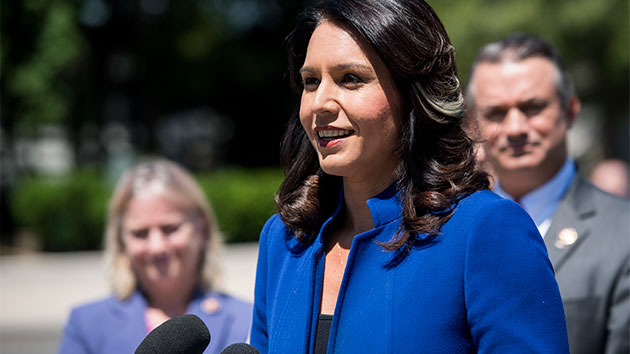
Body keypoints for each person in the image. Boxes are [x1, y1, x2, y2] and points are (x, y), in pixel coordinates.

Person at [250, 1, 570, 353]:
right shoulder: (283, 241)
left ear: (412, 95)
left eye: (350, 79)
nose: (319, 104)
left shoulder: (484, 230)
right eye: (311, 82)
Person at [466, 33, 630, 354]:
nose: (515, 128)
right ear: (473, 124)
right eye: (496, 113)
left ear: (570, 111)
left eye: (533, 107)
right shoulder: (446, 228)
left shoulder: (622, 234)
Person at [58, 158, 252, 354]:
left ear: (201, 228)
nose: (157, 247)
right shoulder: (87, 324)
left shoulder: (246, 320)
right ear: (121, 240)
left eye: (170, 229)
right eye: (140, 233)